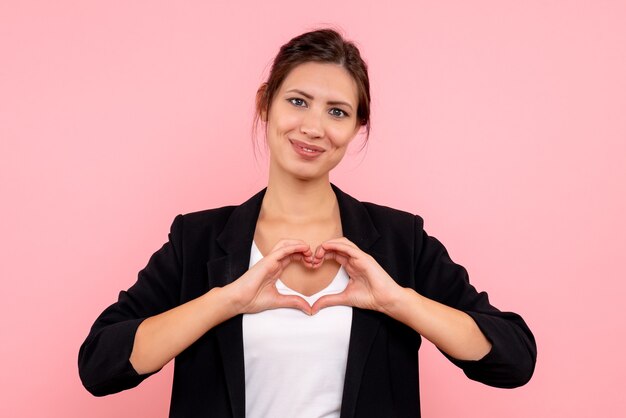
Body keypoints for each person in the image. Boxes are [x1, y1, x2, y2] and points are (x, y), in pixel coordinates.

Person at [78, 28, 536, 418]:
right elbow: (100, 365)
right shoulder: (196, 240)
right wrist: (225, 301)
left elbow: (513, 360)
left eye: (337, 111)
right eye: (298, 101)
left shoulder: (401, 241)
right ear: (266, 104)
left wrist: (398, 301)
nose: (314, 127)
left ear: (357, 127)